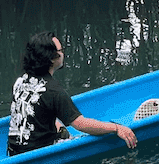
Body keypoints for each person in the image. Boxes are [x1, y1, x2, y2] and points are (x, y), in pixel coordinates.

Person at [7, 32, 138, 155]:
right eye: (60, 51)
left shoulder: (21, 81)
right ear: (51, 58)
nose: (63, 54)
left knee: (61, 125)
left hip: (13, 151)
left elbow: (34, 112)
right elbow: (80, 124)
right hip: (38, 152)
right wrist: (116, 128)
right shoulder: (53, 91)